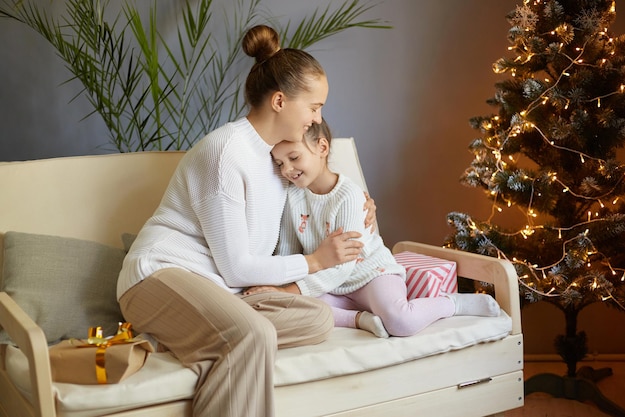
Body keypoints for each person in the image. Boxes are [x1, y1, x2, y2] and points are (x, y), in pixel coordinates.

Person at [116, 25, 376, 417]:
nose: (317, 118)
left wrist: (360, 202)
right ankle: (209, 331)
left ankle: (186, 333)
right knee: (252, 335)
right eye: (314, 106)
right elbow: (237, 268)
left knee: (318, 318)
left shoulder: (279, 161)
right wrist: (315, 261)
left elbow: (321, 197)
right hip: (159, 274)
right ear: (279, 101)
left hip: (218, 289)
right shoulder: (225, 153)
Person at [244, 118, 501, 338]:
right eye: (279, 163)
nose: (286, 170)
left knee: (401, 321)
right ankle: (358, 319)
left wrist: (287, 290)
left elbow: (343, 265)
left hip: (370, 274)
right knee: (296, 307)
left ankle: (451, 304)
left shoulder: (348, 196)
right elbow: (289, 249)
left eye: (293, 158)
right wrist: (278, 289)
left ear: (322, 147)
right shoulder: (293, 195)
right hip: (330, 285)